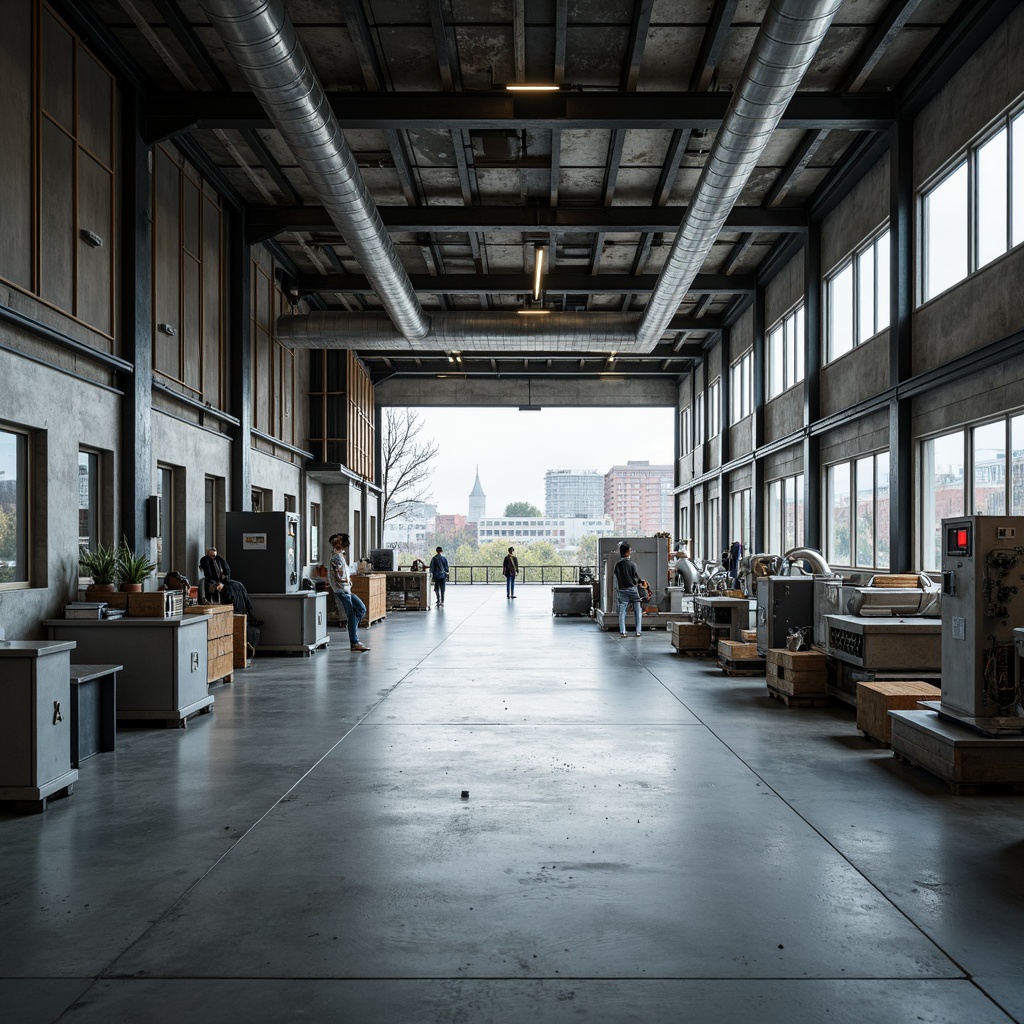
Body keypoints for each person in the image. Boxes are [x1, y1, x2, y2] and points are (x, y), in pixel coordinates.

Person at [199, 547, 263, 625]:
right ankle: (244, 614)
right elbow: (209, 576)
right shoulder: (205, 561)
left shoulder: (219, 560)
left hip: (223, 582)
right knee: (231, 591)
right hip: (214, 583)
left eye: (214, 555)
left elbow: (227, 571)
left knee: (239, 585)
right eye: (211, 555)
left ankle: (249, 614)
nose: (212, 557)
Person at [328, 533, 370, 652]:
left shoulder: (340, 556)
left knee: (361, 609)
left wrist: (347, 580)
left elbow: (341, 573)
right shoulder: (336, 557)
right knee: (352, 614)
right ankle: (354, 642)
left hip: (346, 589)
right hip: (341, 590)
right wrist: (345, 580)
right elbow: (337, 574)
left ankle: (353, 629)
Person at [612, 541, 644, 638]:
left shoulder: (617, 565)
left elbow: (616, 579)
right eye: (629, 550)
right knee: (637, 611)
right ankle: (638, 631)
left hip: (622, 590)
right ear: (626, 552)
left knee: (622, 611)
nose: (630, 552)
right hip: (632, 590)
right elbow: (636, 578)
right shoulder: (633, 565)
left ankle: (623, 631)